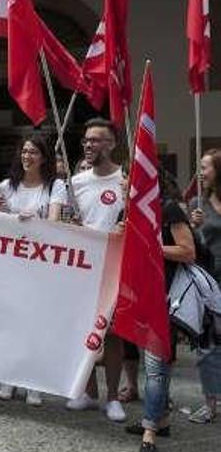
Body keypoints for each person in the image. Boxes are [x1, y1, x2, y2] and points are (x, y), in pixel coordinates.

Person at [123, 170, 195, 452]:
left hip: (165, 299)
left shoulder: (168, 208)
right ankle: (161, 418)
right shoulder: (131, 211)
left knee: (155, 368)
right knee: (155, 365)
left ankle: (150, 430)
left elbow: (187, 251)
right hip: (140, 296)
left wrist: (151, 247)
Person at [0, 135, 67, 406]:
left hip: (41, 266)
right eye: (24, 151)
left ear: (44, 157)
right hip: (11, 266)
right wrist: (5, 215)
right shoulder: (5, 187)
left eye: (34, 152)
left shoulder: (55, 186)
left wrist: (33, 222)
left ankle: (34, 381)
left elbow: (54, 222)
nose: (27, 156)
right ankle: (8, 377)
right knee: (11, 321)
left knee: (36, 323)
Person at [67, 118, 127, 422]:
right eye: (86, 140)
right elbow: (67, 223)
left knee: (113, 335)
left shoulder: (126, 181)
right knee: (83, 331)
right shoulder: (76, 183)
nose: (89, 145)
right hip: (83, 269)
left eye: (96, 140)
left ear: (112, 144)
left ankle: (113, 397)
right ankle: (89, 392)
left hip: (115, 269)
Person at [187, 148, 221, 424]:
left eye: (205, 167)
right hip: (209, 284)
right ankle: (211, 403)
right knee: (207, 346)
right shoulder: (197, 203)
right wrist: (193, 225)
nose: (200, 172)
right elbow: (192, 247)